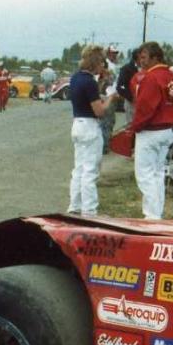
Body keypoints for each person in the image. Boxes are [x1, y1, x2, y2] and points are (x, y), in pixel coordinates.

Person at [128, 41, 173, 220]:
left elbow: (145, 108)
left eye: (144, 57)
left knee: (145, 175)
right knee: (158, 174)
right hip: (167, 130)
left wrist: (134, 128)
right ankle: (157, 213)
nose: (141, 61)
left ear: (155, 58)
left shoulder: (150, 78)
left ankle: (152, 216)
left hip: (150, 132)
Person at [68, 44, 118, 216]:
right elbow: (100, 111)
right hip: (90, 126)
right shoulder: (89, 82)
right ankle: (89, 210)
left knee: (79, 169)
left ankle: (74, 205)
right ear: (96, 62)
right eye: (101, 62)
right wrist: (110, 98)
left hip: (77, 123)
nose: (103, 66)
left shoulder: (75, 78)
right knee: (90, 171)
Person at [99, 45, 123, 151]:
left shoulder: (114, 65)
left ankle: (106, 142)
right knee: (106, 121)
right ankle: (104, 145)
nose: (114, 55)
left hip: (113, 95)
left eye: (115, 53)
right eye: (112, 53)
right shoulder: (106, 64)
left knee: (110, 120)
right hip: (107, 95)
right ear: (108, 53)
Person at [116, 47, 139, 126]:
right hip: (131, 103)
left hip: (143, 103)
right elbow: (120, 87)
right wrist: (131, 98)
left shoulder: (146, 68)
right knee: (131, 126)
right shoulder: (126, 69)